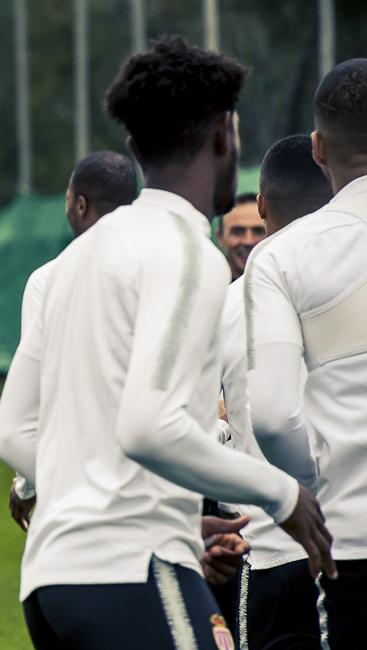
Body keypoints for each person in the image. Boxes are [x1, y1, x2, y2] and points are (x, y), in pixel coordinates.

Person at [0, 36, 334, 648]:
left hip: (50, 582)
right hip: (132, 572)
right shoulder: (187, 251)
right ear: (225, 136)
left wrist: (169, 515)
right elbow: (150, 427)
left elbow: (13, 434)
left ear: (134, 149)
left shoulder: (68, 264)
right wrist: (284, 494)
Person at [245, 59, 367, 648]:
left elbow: (272, 416)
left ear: (317, 147)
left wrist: (315, 492)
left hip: (352, 539)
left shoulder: (281, 256)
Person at [213, 134, 332, 650]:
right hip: (351, 545)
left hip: (273, 550)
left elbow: (264, 420)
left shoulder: (230, 301)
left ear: (262, 205)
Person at [7, 150, 139, 531]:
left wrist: (27, 485)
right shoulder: (165, 272)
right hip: (153, 492)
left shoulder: (47, 282)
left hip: (77, 494)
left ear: (80, 205)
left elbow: (34, 408)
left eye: (67, 198)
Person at [216, 193, 265, 281]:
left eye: (258, 231)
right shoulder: (206, 285)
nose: (248, 241)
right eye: (238, 232)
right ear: (220, 238)